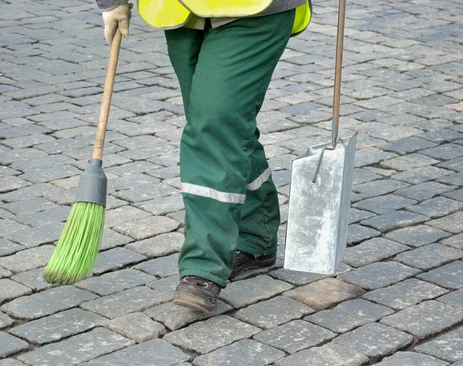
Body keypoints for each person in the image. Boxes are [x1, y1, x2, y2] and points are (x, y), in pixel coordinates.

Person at [97, 0, 311, 312]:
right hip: (181, 11)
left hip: (255, 10)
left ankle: (203, 266)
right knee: (221, 126)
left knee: (213, 126)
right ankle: (256, 238)